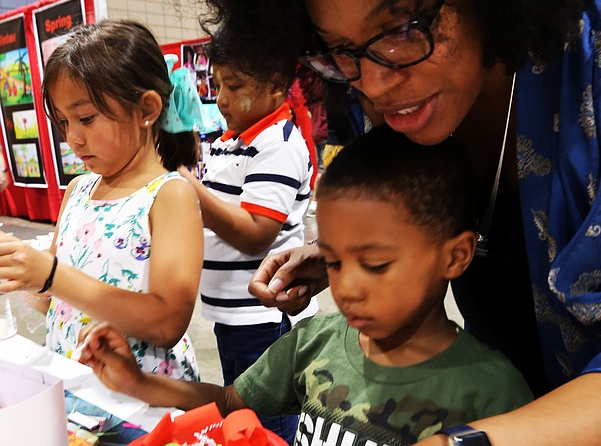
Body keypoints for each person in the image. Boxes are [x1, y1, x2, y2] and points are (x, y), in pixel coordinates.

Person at [169, 0, 601, 443]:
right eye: (337, 50)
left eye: (405, 26)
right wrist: (353, 258)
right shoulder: (376, 102)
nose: (377, 84)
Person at [79, 125, 533, 444]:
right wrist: (137, 382)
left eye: (374, 264)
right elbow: (227, 402)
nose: (347, 289)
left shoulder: (493, 393)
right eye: (333, 262)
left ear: (455, 255)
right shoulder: (314, 343)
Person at [0, 20, 205, 381]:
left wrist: (49, 275)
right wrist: (20, 272)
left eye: (86, 118)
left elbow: (168, 321)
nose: (73, 138)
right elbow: (54, 300)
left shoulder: (169, 195)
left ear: (147, 109)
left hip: (144, 390)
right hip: (75, 381)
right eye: (63, 122)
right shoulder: (78, 190)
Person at [176, 25, 318, 444]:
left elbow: (257, 234)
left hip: (261, 318)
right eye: (216, 83)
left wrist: (194, 192)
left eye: (233, 85)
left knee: (265, 418)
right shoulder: (232, 141)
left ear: (276, 84)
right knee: (243, 413)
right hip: (231, 316)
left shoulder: (278, 146)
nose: (220, 97)